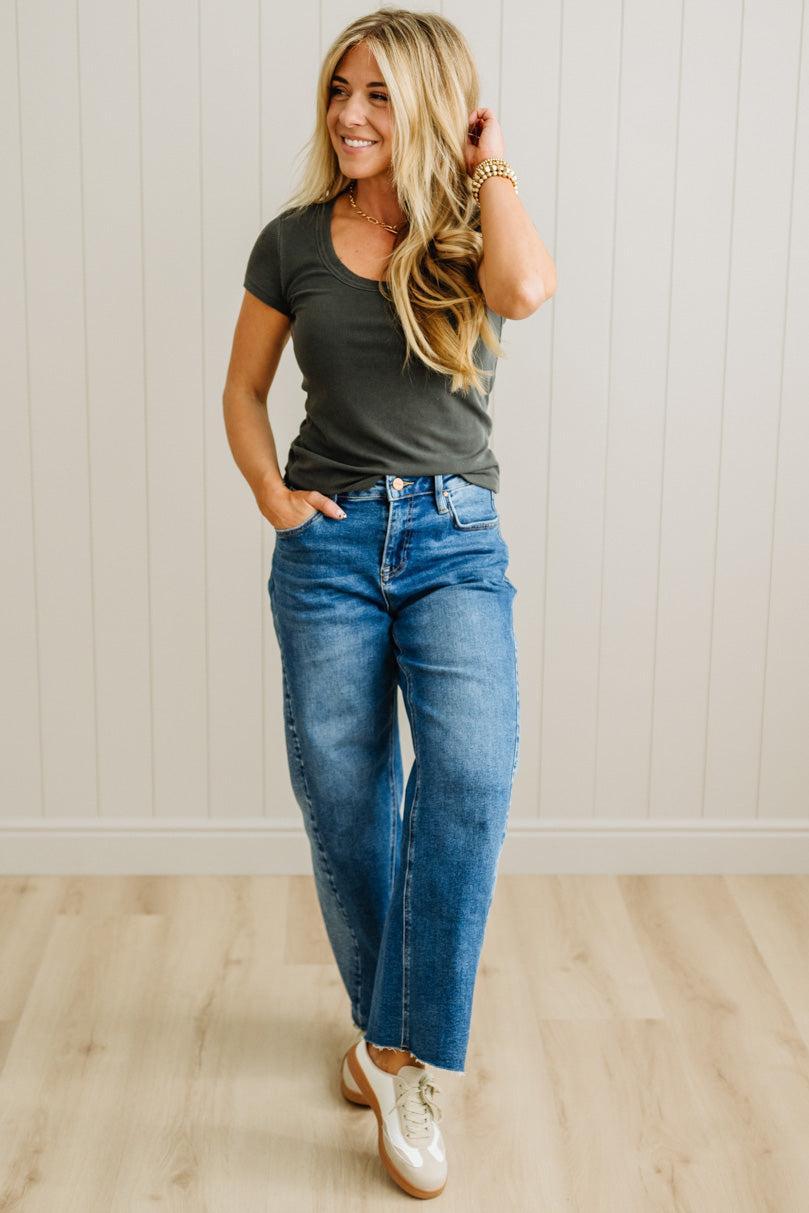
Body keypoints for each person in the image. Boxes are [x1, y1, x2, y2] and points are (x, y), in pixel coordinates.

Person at [222, 8, 556, 1199]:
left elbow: (528, 287)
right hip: (325, 544)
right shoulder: (289, 241)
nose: (350, 115)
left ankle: (393, 1045)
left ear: (424, 105)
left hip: (454, 539)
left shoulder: (469, 231)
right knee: (346, 792)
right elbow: (245, 391)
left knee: (468, 768)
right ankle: (392, 1043)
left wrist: (489, 157)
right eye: (337, 92)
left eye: (376, 94)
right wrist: (271, 494)